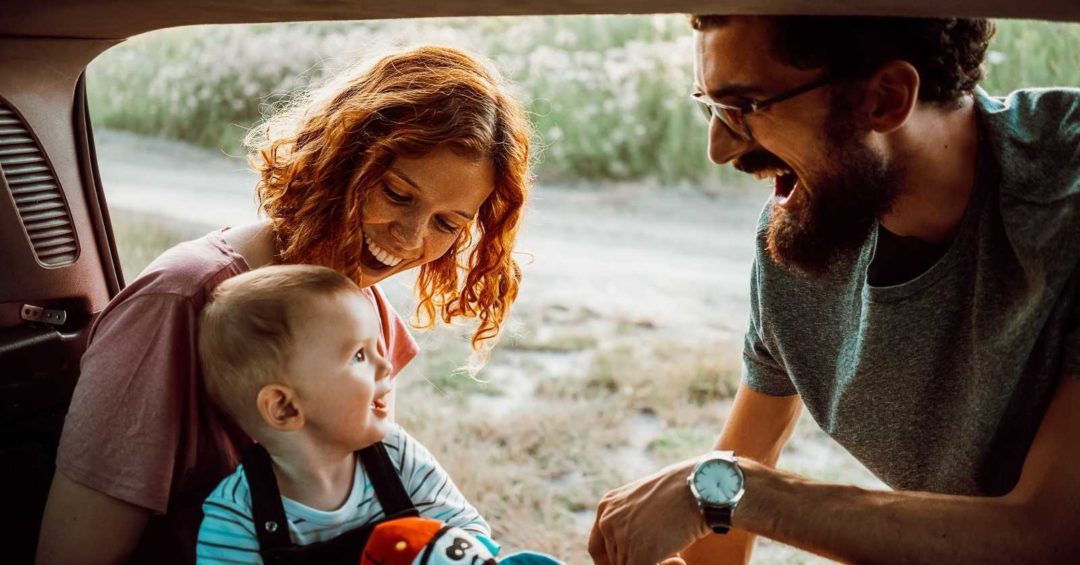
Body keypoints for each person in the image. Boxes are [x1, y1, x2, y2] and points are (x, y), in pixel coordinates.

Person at [589, 15, 1080, 565]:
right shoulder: (810, 227)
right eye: (710, 106)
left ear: (886, 98)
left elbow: (1052, 532)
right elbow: (729, 499)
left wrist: (738, 490)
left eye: (743, 108)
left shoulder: (1064, 193)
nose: (719, 148)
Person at [37, 44, 532, 564]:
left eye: (447, 224)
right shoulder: (178, 300)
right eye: (397, 194)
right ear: (340, 159)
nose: (411, 239)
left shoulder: (366, 309)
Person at [195, 265, 488, 563]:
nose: (385, 365)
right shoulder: (238, 515)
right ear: (285, 408)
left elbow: (469, 536)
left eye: (377, 347)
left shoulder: (396, 455)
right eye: (358, 355)